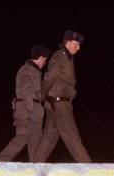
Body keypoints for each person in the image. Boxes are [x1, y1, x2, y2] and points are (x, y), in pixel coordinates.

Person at [34, 30, 92, 163]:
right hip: (59, 104)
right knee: (72, 136)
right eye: (76, 44)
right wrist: (43, 95)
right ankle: (89, 168)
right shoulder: (60, 57)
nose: (79, 47)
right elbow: (48, 77)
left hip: (55, 103)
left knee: (48, 138)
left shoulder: (67, 59)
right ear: (68, 43)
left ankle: (35, 167)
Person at [0, 45, 50, 162]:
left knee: (35, 140)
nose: (45, 63)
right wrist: (31, 110)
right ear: (41, 58)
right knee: (23, 135)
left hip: (34, 109)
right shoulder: (26, 70)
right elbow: (26, 91)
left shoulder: (36, 73)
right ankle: (1, 160)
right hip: (26, 109)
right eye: (45, 59)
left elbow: (37, 93)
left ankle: (35, 167)